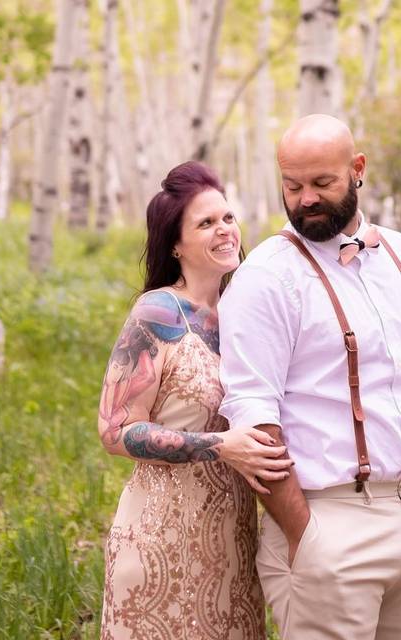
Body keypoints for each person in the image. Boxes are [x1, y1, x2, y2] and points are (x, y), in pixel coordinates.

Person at [218, 114, 401, 639]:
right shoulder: (265, 278)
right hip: (328, 524)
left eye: (322, 183)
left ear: (357, 170)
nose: (306, 198)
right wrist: (307, 536)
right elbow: (255, 416)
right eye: (292, 185)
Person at [99, 161, 289, 639]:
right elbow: (115, 430)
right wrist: (220, 446)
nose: (225, 230)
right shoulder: (157, 312)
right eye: (206, 223)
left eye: (227, 218)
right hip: (160, 544)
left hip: (234, 544)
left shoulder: (243, 312)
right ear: (176, 245)